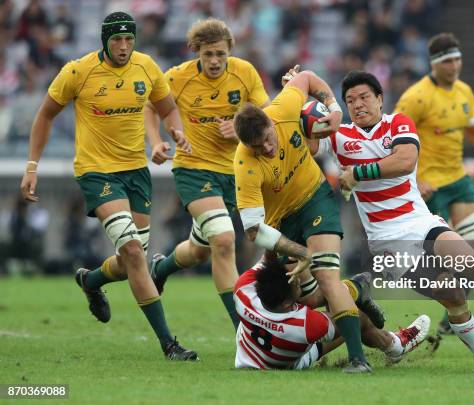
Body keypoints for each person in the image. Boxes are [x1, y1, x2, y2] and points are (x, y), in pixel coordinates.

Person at [311, 70, 474, 374]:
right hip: (386, 242)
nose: (358, 104)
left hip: (419, 221)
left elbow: (404, 161)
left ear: (380, 99)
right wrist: (300, 96)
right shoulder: (339, 136)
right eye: (350, 100)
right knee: (451, 293)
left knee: (469, 260)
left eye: (364, 97)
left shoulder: (398, 122)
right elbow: (306, 142)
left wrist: (357, 174)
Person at [19, 12, 196, 361]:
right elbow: (45, 115)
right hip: (97, 173)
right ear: (105, 40)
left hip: (136, 173)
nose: (124, 46)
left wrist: (173, 135)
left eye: (129, 39)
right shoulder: (78, 71)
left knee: (134, 260)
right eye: (117, 39)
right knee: (132, 251)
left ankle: (92, 281)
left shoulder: (146, 67)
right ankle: (169, 344)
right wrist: (32, 166)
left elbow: (168, 108)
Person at [232, 69, 373, 373]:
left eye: (268, 139)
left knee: (325, 275)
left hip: (315, 197)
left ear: (271, 122)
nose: (267, 149)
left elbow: (307, 77)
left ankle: (358, 360)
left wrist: (334, 109)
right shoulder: (244, 163)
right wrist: (301, 253)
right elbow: (254, 229)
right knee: (306, 298)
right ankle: (357, 291)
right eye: (259, 147)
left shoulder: (282, 108)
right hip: (281, 222)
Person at [145, 18, 270, 331]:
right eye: (208, 55)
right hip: (194, 169)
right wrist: (157, 141)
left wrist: (242, 129)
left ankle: (161, 268)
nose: (214, 61)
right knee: (225, 241)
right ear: (195, 52)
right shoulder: (177, 77)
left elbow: (266, 117)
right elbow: (151, 107)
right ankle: (243, 330)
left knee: (201, 250)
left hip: (236, 173)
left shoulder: (245, 73)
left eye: (220, 54)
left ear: (229, 51)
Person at [394, 32, 474, 334]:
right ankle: (455, 308)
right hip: (428, 187)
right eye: (448, 61)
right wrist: (415, 178)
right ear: (434, 64)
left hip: (458, 180)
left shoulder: (464, 92)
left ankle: (454, 313)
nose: (455, 66)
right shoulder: (415, 97)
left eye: (458, 59)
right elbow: (391, 139)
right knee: (443, 262)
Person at [233, 252, 430, 370]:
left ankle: (352, 287)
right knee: (353, 319)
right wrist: (351, 289)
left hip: (252, 355)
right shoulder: (306, 324)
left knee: (333, 297)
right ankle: (395, 345)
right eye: (296, 282)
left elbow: (267, 258)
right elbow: (348, 316)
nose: (298, 278)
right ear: (286, 302)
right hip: (292, 360)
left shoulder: (243, 290)